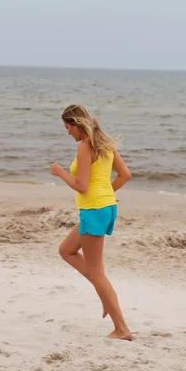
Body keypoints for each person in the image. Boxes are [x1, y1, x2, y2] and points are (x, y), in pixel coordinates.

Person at [50, 104, 132, 341]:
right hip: (105, 207)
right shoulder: (105, 144)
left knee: (97, 273)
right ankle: (105, 296)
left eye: (67, 127)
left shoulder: (85, 147)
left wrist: (60, 172)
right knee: (66, 250)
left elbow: (81, 186)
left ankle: (121, 328)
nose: (68, 133)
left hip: (94, 210)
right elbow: (125, 175)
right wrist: (105, 195)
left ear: (76, 125)